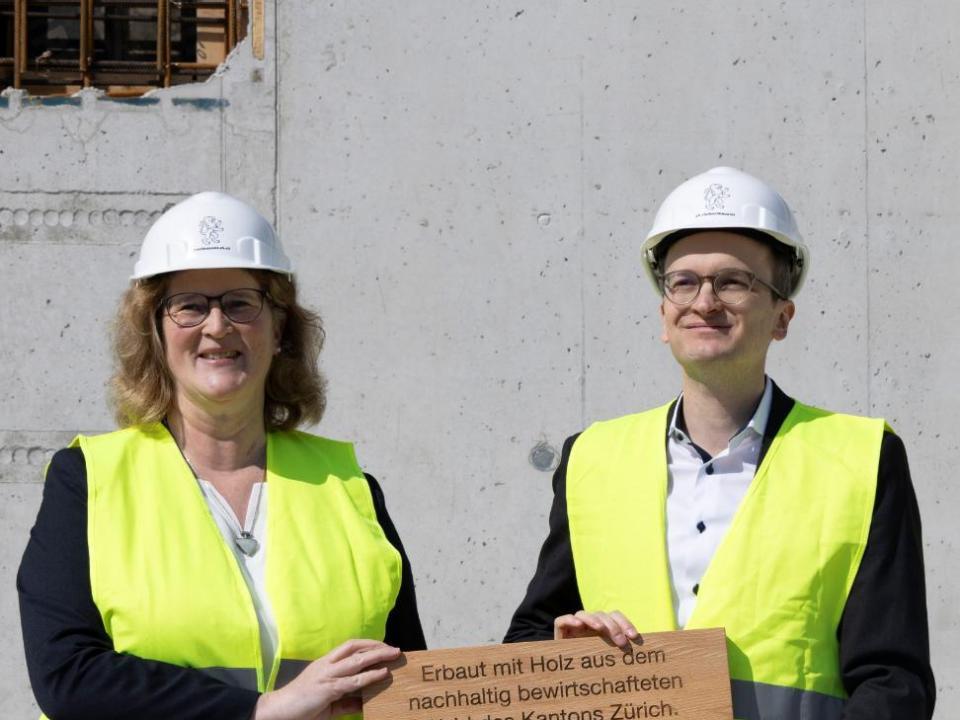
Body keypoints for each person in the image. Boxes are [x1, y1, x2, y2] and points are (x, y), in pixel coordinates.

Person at [504, 167, 935, 720]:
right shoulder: (592, 458)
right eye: (683, 282)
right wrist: (563, 665)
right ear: (664, 315)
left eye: (734, 282)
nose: (704, 301)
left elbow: (893, 683)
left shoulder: (862, 458)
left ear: (782, 317)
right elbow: (526, 645)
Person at [18, 192, 426, 720]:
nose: (217, 327)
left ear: (279, 328)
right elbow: (66, 675)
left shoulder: (350, 491)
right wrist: (259, 710)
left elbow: (414, 683)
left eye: (240, 303)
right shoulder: (90, 482)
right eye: (189, 305)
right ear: (156, 331)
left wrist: (562, 664)